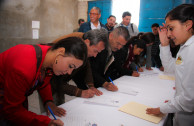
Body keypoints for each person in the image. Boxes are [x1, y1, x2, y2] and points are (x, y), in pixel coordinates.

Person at [0, 37, 88, 126]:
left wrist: (48, 101)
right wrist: (46, 122)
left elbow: (43, 81)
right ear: (61, 51)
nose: (69, 72)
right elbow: (12, 110)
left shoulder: (49, 57)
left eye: (73, 69)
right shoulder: (23, 68)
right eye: (70, 66)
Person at [146, 4, 194, 126]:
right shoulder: (185, 46)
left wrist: (163, 108)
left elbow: (189, 100)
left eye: (171, 28)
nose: (168, 34)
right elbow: (172, 68)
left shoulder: (192, 50)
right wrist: (164, 44)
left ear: (188, 25)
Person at [51, 29, 108, 105]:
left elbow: (87, 66)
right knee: (53, 105)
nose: (95, 56)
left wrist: (91, 85)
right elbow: (54, 81)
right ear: (87, 42)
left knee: (60, 104)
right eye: (95, 51)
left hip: (59, 80)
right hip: (49, 79)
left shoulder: (84, 45)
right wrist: (79, 92)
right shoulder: (73, 45)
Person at [90, 26, 137, 91]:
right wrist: (104, 83)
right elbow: (91, 69)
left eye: (122, 45)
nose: (119, 47)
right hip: (89, 82)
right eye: (118, 43)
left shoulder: (118, 49)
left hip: (100, 84)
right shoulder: (99, 44)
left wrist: (106, 83)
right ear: (111, 35)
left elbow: (114, 66)